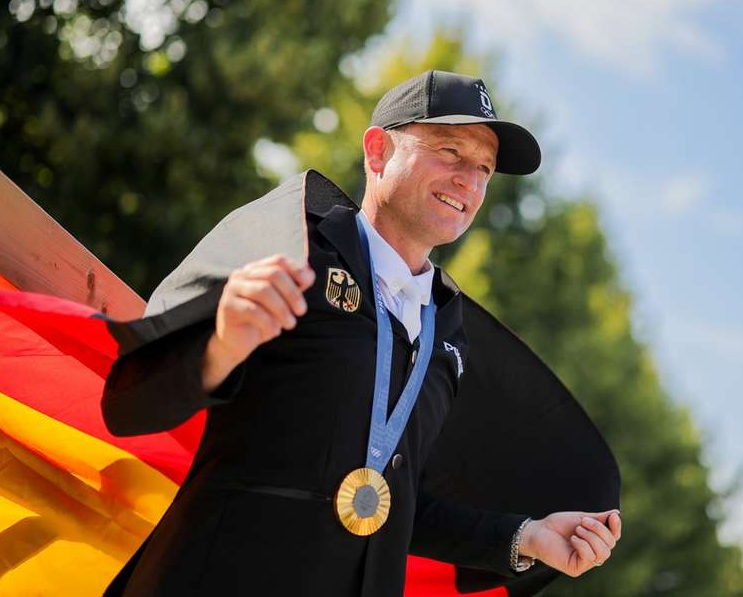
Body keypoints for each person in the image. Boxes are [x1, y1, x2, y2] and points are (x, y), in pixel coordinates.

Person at [101, 70, 622, 596]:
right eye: (450, 151)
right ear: (377, 152)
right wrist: (220, 345)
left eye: (484, 168)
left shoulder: (447, 327)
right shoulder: (292, 243)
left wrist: (524, 537)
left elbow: (393, 503)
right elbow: (129, 406)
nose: (470, 180)